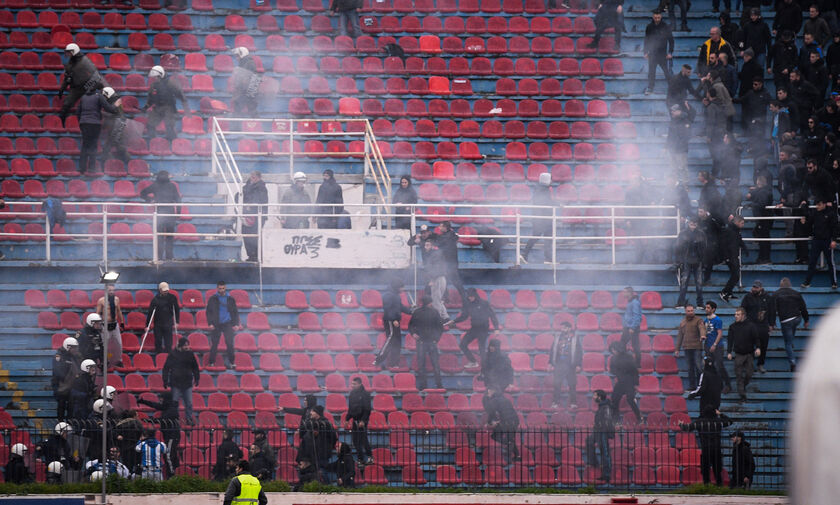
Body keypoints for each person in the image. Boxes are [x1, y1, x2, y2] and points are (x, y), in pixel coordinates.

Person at [678, 407, 732, 485]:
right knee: (717, 469)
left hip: (706, 448)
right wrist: (720, 414)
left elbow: (687, 428)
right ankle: (719, 486)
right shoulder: (718, 422)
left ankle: (706, 485)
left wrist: (680, 424)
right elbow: (730, 422)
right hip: (716, 448)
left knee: (705, 468)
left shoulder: (700, 422)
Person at [450, 288, 499, 368]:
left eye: (472, 296)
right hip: (474, 328)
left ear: (475, 296)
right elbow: (464, 316)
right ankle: (473, 361)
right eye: (469, 297)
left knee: (481, 349)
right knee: (462, 344)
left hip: (483, 329)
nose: (470, 298)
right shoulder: (468, 304)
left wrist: (496, 328)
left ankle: (484, 369)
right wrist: (454, 321)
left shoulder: (484, 303)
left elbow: (492, 315)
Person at [139, 170, 182, 261]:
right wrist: (178, 212)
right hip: (170, 213)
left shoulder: (155, 185)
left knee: (159, 236)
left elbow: (142, 193)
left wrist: (150, 200)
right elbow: (178, 200)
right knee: (169, 236)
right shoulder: (172, 186)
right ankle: (169, 257)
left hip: (159, 212)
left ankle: (159, 257)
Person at [76, 86, 119, 175]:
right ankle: (91, 168)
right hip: (94, 124)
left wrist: (82, 121)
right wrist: (116, 106)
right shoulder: (99, 96)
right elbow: (108, 108)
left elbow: (78, 112)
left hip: (84, 123)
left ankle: (82, 168)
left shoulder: (83, 97)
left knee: (85, 146)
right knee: (93, 145)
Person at [58, 43, 103, 124]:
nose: (68, 54)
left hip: (86, 88)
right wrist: (62, 88)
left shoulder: (85, 61)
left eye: (69, 52)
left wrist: (90, 87)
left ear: (74, 52)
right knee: (66, 105)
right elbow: (67, 77)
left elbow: (95, 75)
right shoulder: (70, 63)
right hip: (75, 89)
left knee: (91, 106)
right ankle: (61, 123)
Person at [771, 277, 809, 372]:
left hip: (786, 320)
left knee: (787, 343)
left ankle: (793, 362)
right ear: (790, 285)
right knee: (791, 333)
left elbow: (772, 310)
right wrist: (806, 320)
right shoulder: (797, 293)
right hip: (797, 318)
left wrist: (771, 322)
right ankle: (791, 343)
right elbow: (803, 308)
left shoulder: (776, 294)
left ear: (781, 285)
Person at [137, 391, 179, 474]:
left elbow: (163, 420)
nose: (160, 400)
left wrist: (150, 420)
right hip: (168, 435)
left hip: (172, 436)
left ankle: (171, 473)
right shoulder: (167, 406)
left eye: (162, 398)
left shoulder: (172, 410)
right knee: (169, 454)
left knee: (168, 455)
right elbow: (156, 405)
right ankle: (172, 469)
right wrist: (144, 401)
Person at [800, 199, 838, 288]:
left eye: (819, 205)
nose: (818, 207)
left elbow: (835, 227)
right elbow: (809, 223)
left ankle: (834, 282)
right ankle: (807, 282)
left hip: (827, 240)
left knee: (830, 262)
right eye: (817, 205)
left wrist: (834, 240)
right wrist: (804, 223)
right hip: (816, 240)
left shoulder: (831, 214)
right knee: (812, 262)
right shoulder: (815, 213)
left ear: (824, 204)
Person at [520, 164, 554, 265]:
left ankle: (547, 259)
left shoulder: (540, 189)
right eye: (550, 179)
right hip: (542, 219)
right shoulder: (543, 190)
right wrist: (558, 204)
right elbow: (546, 202)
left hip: (543, 218)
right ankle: (526, 255)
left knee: (544, 238)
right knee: (542, 238)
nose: (552, 181)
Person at [409, 295, 444, 390]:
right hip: (432, 341)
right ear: (430, 303)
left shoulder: (417, 312)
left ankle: (423, 385)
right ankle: (439, 384)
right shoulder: (434, 312)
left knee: (421, 364)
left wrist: (413, 333)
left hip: (420, 341)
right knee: (435, 364)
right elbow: (440, 327)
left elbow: (411, 325)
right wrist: (436, 339)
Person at [375, 278, 412, 368]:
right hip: (391, 321)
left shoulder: (396, 296)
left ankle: (394, 363)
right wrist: (393, 319)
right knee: (390, 340)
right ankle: (378, 360)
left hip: (395, 321)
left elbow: (400, 307)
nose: (403, 290)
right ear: (397, 287)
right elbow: (387, 309)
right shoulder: (388, 296)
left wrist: (411, 311)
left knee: (397, 343)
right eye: (402, 288)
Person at [162, 337, 199, 424]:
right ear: (181, 345)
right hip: (176, 382)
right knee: (174, 403)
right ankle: (174, 420)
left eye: (188, 345)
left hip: (187, 382)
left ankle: (189, 419)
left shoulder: (190, 354)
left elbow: (195, 367)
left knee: (189, 403)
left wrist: (197, 378)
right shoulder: (173, 354)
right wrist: (165, 380)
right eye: (185, 345)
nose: (187, 347)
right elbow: (166, 368)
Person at [727, 307, 761, 402]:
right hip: (739, 354)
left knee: (749, 374)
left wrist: (758, 347)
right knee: (738, 375)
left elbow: (756, 338)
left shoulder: (751, 326)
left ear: (743, 315)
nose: (735, 316)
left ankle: (743, 386)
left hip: (749, 353)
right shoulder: (732, 326)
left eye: (738, 314)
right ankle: (742, 395)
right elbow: (730, 340)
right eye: (735, 314)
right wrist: (729, 352)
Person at [143, 66, 185, 141]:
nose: (155, 79)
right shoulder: (154, 86)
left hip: (169, 108)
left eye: (156, 77)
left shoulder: (171, 83)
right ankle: (153, 142)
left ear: (161, 76)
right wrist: (146, 107)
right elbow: (151, 99)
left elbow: (179, 94)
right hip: (158, 108)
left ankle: (172, 145)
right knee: (150, 125)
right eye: (154, 77)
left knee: (169, 127)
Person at [206, 281, 242, 369]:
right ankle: (211, 362)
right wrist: (210, 323)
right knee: (214, 344)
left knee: (230, 343)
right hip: (216, 324)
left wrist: (236, 324)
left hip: (227, 323)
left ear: (225, 288)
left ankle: (232, 362)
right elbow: (208, 312)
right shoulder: (212, 298)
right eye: (219, 288)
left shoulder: (230, 299)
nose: (221, 290)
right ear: (217, 288)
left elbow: (235, 312)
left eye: (222, 288)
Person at [741, 280, 774, 373]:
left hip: (763, 325)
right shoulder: (748, 297)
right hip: (751, 325)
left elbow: (772, 311)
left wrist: (771, 324)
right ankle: (749, 365)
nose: (754, 289)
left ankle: (760, 364)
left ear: (761, 288)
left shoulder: (767, 297)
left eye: (756, 287)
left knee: (764, 346)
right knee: (749, 346)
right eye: (753, 287)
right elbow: (743, 309)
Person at [548, 321, 582, 409]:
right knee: (557, 384)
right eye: (561, 328)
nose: (562, 329)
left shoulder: (575, 338)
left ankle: (573, 403)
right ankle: (555, 402)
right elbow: (552, 350)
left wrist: (578, 364)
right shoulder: (557, 337)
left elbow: (579, 352)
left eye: (564, 328)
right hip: (559, 364)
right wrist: (550, 363)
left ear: (569, 328)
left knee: (572, 384)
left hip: (570, 365)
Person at [674, 219, 707, 309]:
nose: (693, 223)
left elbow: (704, 249)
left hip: (697, 261)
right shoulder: (683, 233)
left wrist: (703, 260)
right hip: (686, 261)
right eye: (692, 222)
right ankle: (681, 302)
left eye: (695, 222)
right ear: (688, 223)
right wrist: (679, 261)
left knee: (698, 283)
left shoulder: (701, 234)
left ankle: (699, 303)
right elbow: (677, 248)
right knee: (685, 282)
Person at [298, 406, 337, 480]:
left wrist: (328, 447)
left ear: (317, 413)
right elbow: (302, 432)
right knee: (316, 473)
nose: (310, 413)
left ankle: (326, 487)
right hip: (313, 452)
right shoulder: (311, 422)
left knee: (322, 471)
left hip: (322, 452)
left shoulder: (325, 423)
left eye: (313, 411)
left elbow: (333, 437)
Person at [483, 387, 520, 463]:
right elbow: (507, 411)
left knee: (495, 436)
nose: (488, 394)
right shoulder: (505, 399)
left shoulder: (494, 400)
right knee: (511, 439)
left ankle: (509, 448)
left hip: (506, 422)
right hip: (514, 421)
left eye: (489, 392)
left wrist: (489, 422)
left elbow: (491, 412)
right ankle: (517, 455)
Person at [676, 304, 707, 390]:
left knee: (698, 367)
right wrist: (677, 349)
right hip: (687, 347)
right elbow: (680, 336)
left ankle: (701, 386)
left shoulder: (698, 320)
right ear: (685, 311)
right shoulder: (683, 322)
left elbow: (702, 328)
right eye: (688, 311)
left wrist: (703, 335)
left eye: (692, 311)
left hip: (696, 347)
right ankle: (692, 386)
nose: (690, 312)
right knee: (690, 368)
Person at [703, 301, 732, 394]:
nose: (706, 309)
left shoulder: (717, 320)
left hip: (717, 346)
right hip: (708, 345)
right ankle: (715, 385)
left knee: (719, 366)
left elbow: (719, 333)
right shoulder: (706, 320)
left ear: (713, 309)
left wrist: (714, 344)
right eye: (706, 307)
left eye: (708, 308)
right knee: (710, 367)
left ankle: (727, 385)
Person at [744, 175, 774, 263]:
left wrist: (751, 205)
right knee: (762, 238)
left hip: (764, 218)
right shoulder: (764, 191)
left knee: (764, 240)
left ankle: (764, 258)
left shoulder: (763, 192)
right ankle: (763, 257)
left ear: (759, 183)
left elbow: (761, 204)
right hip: (763, 218)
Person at [643, 11, 674, 94]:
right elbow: (646, 40)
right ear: (653, 17)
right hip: (652, 54)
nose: (657, 19)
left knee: (666, 72)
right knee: (651, 72)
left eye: (658, 18)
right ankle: (650, 88)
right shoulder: (649, 27)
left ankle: (672, 89)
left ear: (661, 17)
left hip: (662, 54)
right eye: (655, 17)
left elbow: (671, 40)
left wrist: (670, 52)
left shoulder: (666, 27)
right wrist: (645, 52)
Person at [145, 281, 180, 354]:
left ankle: (169, 358)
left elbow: (176, 310)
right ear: (160, 290)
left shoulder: (172, 298)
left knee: (168, 343)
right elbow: (150, 313)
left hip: (168, 323)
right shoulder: (155, 299)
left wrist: (177, 321)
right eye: (164, 291)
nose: (166, 292)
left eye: (167, 290)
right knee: (158, 341)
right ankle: (159, 356)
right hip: (158, 324)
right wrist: (147, 325)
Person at [586, 389, 614, 482]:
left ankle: (606, 475)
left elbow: (608, 420)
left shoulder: (606, 406)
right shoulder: (602, 406)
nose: (593, 397)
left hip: (603, 432)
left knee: (605, 453)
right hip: (598, 431)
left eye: (595, 395)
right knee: (589, 441)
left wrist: (606, 432)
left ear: (599, 397)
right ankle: (594, 463)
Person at [435, 221, 466, 302]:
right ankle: (462, 297)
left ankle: (448, 298)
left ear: (445, 227)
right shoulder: (452, 235)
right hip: (451, 262)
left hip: (448, 263)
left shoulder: (446, 237)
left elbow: (439, 243)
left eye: (441, 226)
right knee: (452, 281)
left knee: (448, 280)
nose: (439, 228)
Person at [346, 377, 373, 466]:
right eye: (352, 384)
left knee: (363, 440)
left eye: (354, 384)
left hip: (362, 420)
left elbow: (367, 409)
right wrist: (347, 419)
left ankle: (370, 457)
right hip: (355, 420)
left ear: (360, 384)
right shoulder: (352, 394)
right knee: (355, 441)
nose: (352, 386)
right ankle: (360, 459)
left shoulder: (365, 394)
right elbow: (350, 408)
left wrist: (363, 421)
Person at [242, 171, 268, 262]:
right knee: (246, 235)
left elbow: (260, 200)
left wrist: (250, 205)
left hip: (257, 216)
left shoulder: (261, 188)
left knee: (254, 236)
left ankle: (256, 255)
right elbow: (240, 195)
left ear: (258, 178)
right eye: (251, 177)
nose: (251, 179)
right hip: (248, 215)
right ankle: (251, 255)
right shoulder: (247, 186)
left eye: (253, 177)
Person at [719, 216, 746, 303]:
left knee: (736, 275)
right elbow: (723, 245)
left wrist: (745, 248)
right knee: (735, 275)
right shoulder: (728, 230)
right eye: (742, 223)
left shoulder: (736, 231)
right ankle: (724, 292)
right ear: (737, 222)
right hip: (730, 257)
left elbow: (739, 241)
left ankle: (729, 293)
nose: (743, 225)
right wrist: (726, 257)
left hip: (734, 256)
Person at [52, 337, 81, 421]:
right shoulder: (59, 356)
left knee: (71, 408)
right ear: (68, 347)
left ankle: (69, 424)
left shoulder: (74, 356)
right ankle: (60, 425)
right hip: (61, 385)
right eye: (73, 347)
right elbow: (58, 372)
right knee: (61, 406)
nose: (75, 349)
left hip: (71, 386)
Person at [95, 284, 124, 365]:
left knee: (119, 343)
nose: (112, 292)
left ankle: (119, 360)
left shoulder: (116, 299)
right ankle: (105, 360)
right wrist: (97, 325)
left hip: (114, 324)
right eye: (110, 290)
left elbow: (119, 311)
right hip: (105, 325)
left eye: (113, 290)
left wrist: (122, 322)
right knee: (105, 344)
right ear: (106, 291)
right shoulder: (101, 300)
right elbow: (97, 314)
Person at [422, 240, 449, 322]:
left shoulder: (434, 255)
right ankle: (446, 318)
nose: (425, 247)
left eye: (428, 245)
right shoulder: (436, 254)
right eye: (425, 245)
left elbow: (436, 268)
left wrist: (432, 279)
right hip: (441, 277)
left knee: (436, 300)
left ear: (432, 246)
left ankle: (438, 319)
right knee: (439, 300)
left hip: (437, 278)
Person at [667, 102, 695, 178]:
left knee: (682, 169)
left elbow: (687, 136)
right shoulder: (672, 121)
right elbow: (670, 136)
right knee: (673, 169)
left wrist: (679, 146)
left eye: (673, 111)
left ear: (679, 111)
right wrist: (666, 147)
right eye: (671, 111)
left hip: (681, 150)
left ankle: (685, 185)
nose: (672, 112)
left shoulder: (685, 121)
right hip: (672, 149)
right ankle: (674, 186)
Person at [230, 47, 259, 116]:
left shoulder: (249, 63)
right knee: (241, 110)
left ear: (242, 54)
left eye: (237, 56)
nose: (237, 58)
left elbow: (250, 79)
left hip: (247, 91)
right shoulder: (244, 63)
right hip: (245, 91)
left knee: (250, 111)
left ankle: (255, 125)